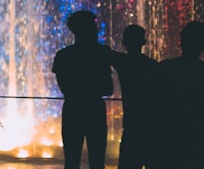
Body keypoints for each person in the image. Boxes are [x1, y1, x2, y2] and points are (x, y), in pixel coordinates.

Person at [146, 20, 204, 169]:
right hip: (201, 141)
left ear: (181, 41)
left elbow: (150, 104)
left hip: (168, 141)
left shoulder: (164, 69)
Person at [52, 10, 114, 169]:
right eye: (93, 26)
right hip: (95, 110)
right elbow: (108, 88)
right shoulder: (102, 53)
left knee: (72, 161)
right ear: (85, 28)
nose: (97, 30)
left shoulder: (63, 56)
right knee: (97, 161)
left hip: (73, 110)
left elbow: (65, 88)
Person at [109, 24, 158, 169]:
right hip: (151, 126)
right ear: (144, 42)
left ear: (124, 42)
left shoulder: (123, 62)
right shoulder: (153, 66)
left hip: (131, 126)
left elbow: (102, 52)